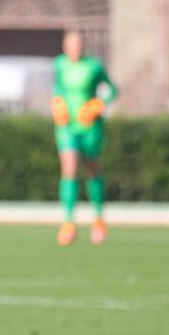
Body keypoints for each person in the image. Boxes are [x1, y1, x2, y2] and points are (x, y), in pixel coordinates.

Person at [50, 30, 119, 245]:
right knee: (69, 170)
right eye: (71, 45)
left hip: (90, 126)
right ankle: (69, 223)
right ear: (65, 47)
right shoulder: (60, 65)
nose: (75, 49)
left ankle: (98, 219)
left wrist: (98, 104)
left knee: (91, 170)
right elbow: (58, 88)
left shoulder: (94, 66)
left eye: (79, 45)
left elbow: (112, 90)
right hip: (67, 126)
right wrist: (57, 102)